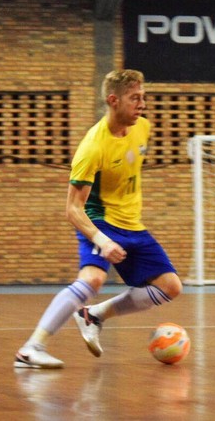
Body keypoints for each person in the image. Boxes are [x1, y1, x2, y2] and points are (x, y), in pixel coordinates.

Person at [14, 69, 182, 369]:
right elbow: (73, 209)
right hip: (100, 222)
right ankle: (30, 349)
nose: (142, 104)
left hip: (133, 224)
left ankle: (94, 315)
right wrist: (101, 239)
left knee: (170, 286)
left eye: (143, 98)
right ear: (113, 100)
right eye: (135, 99)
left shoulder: (143, 128)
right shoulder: (92, 147)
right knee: (92, 278)